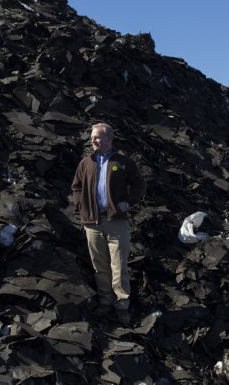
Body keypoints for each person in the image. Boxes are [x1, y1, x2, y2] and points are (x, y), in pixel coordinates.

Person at [71, 123, 145, 325]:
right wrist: (81, 204)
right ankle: (106, 301)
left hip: (116, 221)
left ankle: (122, 304)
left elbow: (138, 183)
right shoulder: (86, 162)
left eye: (97, 137)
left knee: (119, 264)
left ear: (109, 139)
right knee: (100, 265)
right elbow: (76, 186)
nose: (93, 141)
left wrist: (127, 202)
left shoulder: (122, 162)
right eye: (92, 137)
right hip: (92, 222)